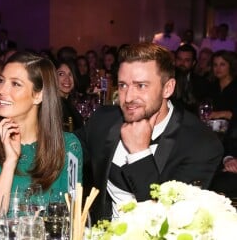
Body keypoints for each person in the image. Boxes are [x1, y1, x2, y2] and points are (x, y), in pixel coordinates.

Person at [75, 43, 223, 222]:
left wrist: (139, 154)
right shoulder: (104, 120)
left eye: (141, 86)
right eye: (122, 85)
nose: (128, 97)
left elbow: (171, 222)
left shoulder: (200, 144)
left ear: (167, 88)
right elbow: (64, 148)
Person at [0, 52, 82, 219]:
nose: (2, 90)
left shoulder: (68, 147)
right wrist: (10, 163)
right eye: (1, 81)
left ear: (38, 95)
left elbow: (71, 216)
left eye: (16, 84)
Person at [172, 44, 210, 114]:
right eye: (179, 59)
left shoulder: (202, 83)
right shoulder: (166, 79)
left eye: (187, 60)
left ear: (193, 63)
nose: (182, 63)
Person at [207, 50, 237, 123]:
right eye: (215, 65)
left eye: (222, 64)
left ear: (230, 66)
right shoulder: (211, 86)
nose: (218, 68)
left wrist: (223, 114)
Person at [56, 60, 84, 131]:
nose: (67, 79)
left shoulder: (70, 102)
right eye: (61, 74)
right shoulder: (55, 105)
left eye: (70, 74)